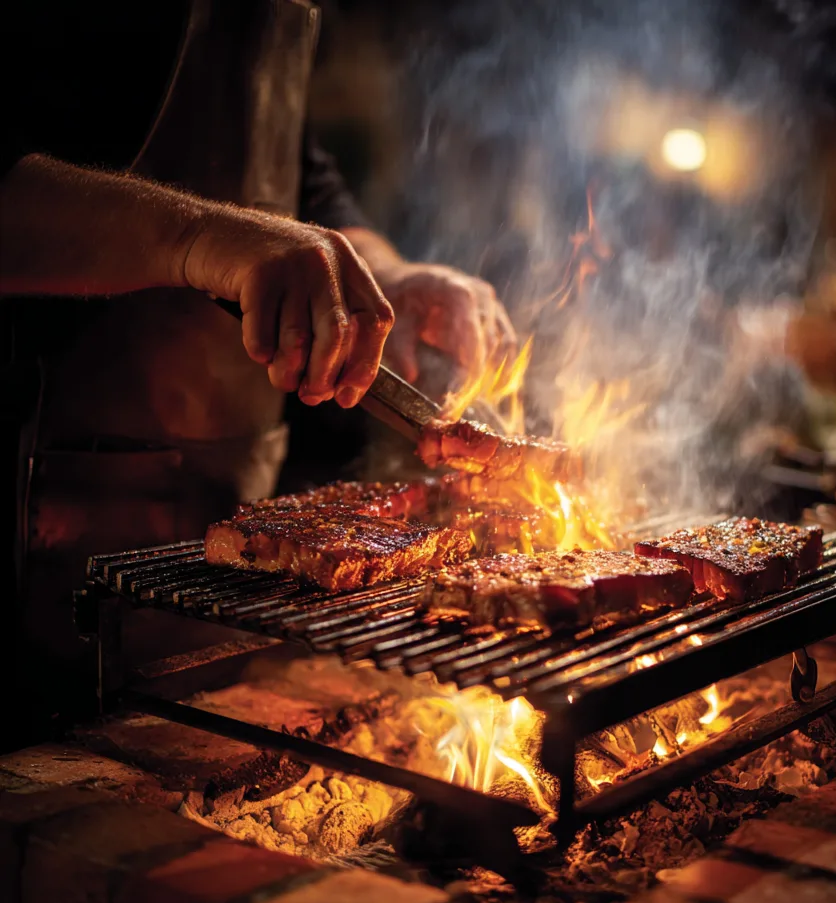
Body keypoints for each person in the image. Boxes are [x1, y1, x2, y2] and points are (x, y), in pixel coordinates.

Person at [0, 0, 516, 739]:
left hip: (221, 490)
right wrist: (198, 236)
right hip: (37, 507)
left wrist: (386, 274)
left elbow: (291, 166)